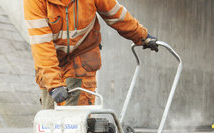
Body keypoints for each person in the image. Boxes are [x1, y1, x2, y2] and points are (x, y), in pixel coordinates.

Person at [23, 0, 159, 109]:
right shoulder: (35, 2)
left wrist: (142, 36)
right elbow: (42, 45)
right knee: (49, 121)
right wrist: (53, 84)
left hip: (82, 55)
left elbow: (116, 15)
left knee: (76, 117)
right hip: (51, 60)